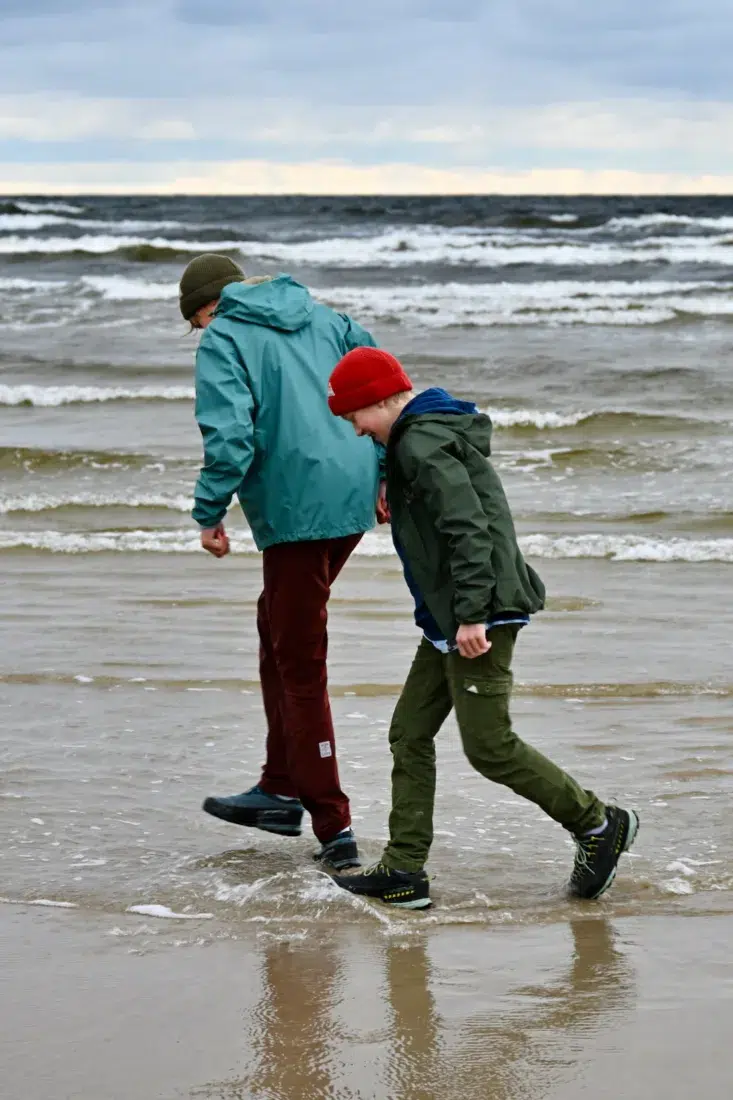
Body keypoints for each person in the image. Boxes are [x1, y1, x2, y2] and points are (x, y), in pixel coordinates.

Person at [326, 346, 639, 907]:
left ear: (377, 402)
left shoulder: (422, 443)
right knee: (409, 732)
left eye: (354, 418)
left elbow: (469, 528)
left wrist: (473, 613)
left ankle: (597, 824)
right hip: (451, 616)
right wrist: (385, 478)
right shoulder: (420, 433)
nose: (354, 430)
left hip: (479, 613)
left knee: (489, 746)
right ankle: (404, 870)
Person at [180, 253, 384, 871]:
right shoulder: (329, 320)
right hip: (351, 493)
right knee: (276, 622)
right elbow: (384, 387)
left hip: (298, 507)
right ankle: (277, 785)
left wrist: (208, 512)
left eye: (197, 321)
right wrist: (384, 472)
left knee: (300, 660)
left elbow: (231, 436)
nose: (201, 332)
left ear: (210, 307)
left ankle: (334, 827)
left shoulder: (224, 337)